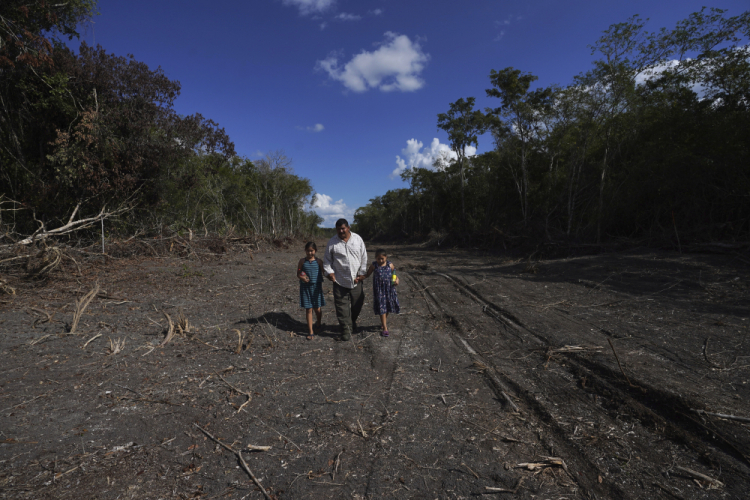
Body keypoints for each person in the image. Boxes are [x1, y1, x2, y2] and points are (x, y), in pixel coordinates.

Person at [323, 218, 367, 341]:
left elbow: (364, 256)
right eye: (338, 229)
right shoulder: (332, 242)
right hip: (339, 280)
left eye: (343, 228)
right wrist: (330, 273)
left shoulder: (357, 239)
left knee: (357, 304)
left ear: (348, 227)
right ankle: (346, 330)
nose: (341, 231)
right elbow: (327, 261)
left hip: (356, 279)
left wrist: (362, 273)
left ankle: (351, 322)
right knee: (341, 307)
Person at [362, 248, 400, 337]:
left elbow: (394, 274)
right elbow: (367, 275)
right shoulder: (374, 265)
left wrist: (397, 280)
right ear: (376, 258)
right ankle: (385, 328)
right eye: (378, 259)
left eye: (382, 258)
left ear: (386, 257)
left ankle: (383, 323)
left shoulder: (390, 265)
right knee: (382, 307)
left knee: (387, 306)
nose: (380, 260)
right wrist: (360, 278)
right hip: (379, 290)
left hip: (389, 289)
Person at [297, 241, 325, 340]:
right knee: (308, 309)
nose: (310, 253)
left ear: (315, 251)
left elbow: (324, 272)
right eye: (308, 251)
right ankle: (311, 331)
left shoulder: (319, 261)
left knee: (317, 309)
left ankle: (318, 323)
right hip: (305, 288)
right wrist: (302, 277)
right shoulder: (302, 261)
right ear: (305, 251)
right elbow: (299, 272)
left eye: (312, 251)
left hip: (316, 288)